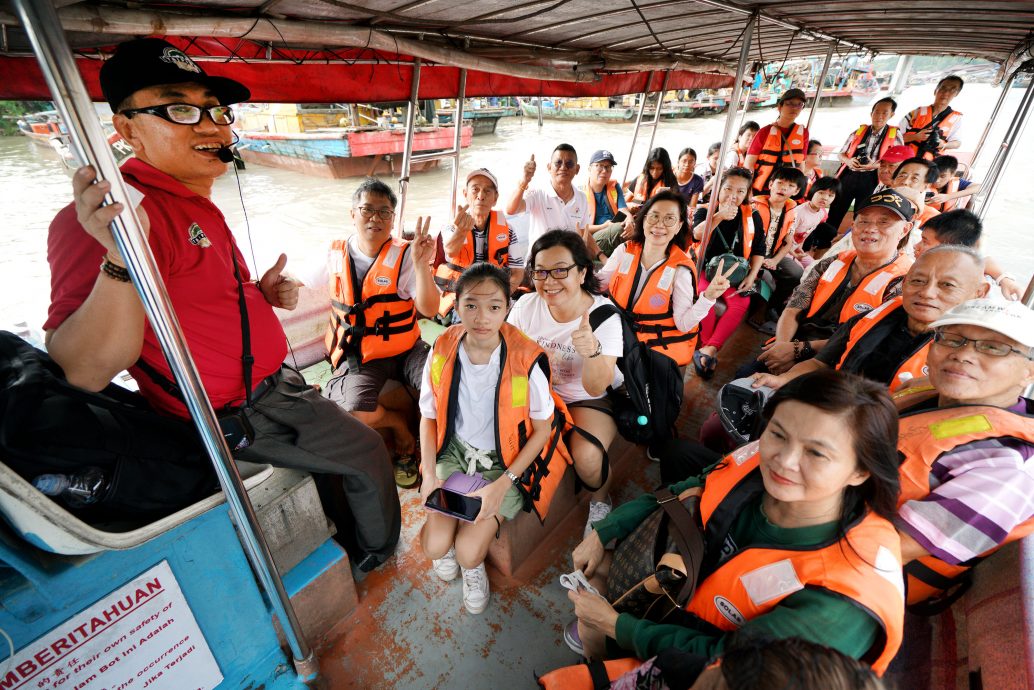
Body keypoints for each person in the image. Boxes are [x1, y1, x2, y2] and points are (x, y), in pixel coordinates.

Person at [44, 38, 401, 570]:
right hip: (239, 412)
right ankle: (378, 557)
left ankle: (350, 531)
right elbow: (83, 369)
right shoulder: (109, 219)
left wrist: (260, 295)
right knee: (368, 452)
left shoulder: (192, 201)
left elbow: (192, 302)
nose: (213, 127)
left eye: (215, 110)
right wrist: (121, 258)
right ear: (127, 129)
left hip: (273, 385)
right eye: (181, 110)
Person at [564, 370, 904, 676]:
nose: (784, 460)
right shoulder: (757, 459)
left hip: (717, 669)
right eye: (778, 434)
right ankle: (598, 659)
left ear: (861, 471)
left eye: (816, 453)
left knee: (595, 623)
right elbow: (689, 486)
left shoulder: (842, 601)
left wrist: (618, 626)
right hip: (684, 598)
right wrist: (605, 531)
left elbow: (732, 664)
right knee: (592, 577)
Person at [419, 263, 568, 614]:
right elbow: (428, 416)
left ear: (507, 308)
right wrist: (428, 474)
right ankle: (455, 527)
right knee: (435, 547)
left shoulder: (524, 360)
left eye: (494, 307)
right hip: (455, 454)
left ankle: (474, 570)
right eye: (470, 305)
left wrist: (504, 483)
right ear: (456, 306)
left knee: (470, 553)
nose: (481, 317)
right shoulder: (442, 348)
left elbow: (543, 429)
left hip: (505, 464)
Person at [891, 298, 1034, 605]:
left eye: (995, 347)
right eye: (952, 339)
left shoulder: (1008, 467)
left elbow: (894, 548)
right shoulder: (930, 396)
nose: (963, 355)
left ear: (1029, 372)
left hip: (859, 583)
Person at [320, 178, 439, 488]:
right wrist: (281, 288)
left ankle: (437, 454)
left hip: (407, 349)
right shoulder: (334, 254)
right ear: (353, 214)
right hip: (362, 354)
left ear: (393, 219)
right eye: (367, 209)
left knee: (445, 384)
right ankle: (400, 427)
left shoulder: (406, 256)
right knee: (353, 414)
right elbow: (293, 282)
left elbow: (429, 308)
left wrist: (423, 265)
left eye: (384, 212)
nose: (375, 218)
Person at [506, 230, 624, 536]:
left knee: (587, 456)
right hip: (537, 391)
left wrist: (591, 350)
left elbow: (598, 386)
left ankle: (600, 501)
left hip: (585, 397)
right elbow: (510, 362)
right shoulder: (525, 306)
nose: (550, 280)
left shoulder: (603, 317)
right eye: (541, 272)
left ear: (582, 272)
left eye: (561, 270)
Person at [752, 245, 989, 393]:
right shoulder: (868, 320)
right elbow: (818, 364)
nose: (927, 293)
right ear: (905, 283)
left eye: (947, 285)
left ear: (979, 293)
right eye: (918, 281)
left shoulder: (972, 360)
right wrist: (784, 380)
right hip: (833, 408)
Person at [749, 190, 916, 377]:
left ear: (905, 229)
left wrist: (799, 349)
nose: (870, 228)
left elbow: (868, 340)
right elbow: (794, 306)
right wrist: (782, 347)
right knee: (745, 377)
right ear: (853, 225)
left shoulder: (906, 282)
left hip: (841, 361)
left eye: (884, 222)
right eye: (864, 221)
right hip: (796, 340)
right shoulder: (831, 262)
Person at [599, 191, 729, 369]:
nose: (659, 224)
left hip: (645, 349)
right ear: (643, 220)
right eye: (654, 216)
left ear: (679, 226)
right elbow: (598, 285)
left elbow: (683, 324)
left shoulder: (680, 270)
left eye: (669, 219)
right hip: (613, 334)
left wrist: (709, 297)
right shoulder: (624, 251)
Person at [689, 168, 766, 378]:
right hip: (706, 269)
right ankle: (708, 347)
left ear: (747, 194)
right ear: (718, 189)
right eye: (728, 188)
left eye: (741, 191)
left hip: (736, 273)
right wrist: (719, 216)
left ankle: (708, 350)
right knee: (707, 299)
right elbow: (697, 234)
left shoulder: (753, 216)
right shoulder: (705, 211)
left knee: (741, 304)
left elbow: (759, 248)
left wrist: (751, 277)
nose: (734, 195)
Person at [435, 168, 525, 317]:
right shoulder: (451, 226)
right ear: (465, 194)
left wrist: (500, 297)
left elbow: (517, 272)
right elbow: (450, 251)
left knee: (521, 319)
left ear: (495, 198)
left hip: (495, 295)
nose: (481, 196)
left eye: (487, 191)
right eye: (475, 190)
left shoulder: (507, 229)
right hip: (460, 296)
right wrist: (461, 231)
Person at [828, 97, 903, 231]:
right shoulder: (858, 131)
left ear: (892, 115)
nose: (879, 116)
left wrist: (873, 165)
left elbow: (898, 162)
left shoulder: (895, 135)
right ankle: (823, 240)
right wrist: (849, 161)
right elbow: (841, 154)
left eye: (885, 112)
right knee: (836, 209)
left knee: (863, 214)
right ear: (871, 113)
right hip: (849, 175)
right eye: (876, 111)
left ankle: (852, 245)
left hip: (872, 178)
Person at [912, 209, 1022, 300]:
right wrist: (1003, 278)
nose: (916, 246)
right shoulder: (955, 264)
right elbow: (985, 260)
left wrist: (1004, 279)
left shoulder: (966, 294)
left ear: (951, 248)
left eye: (925, 242)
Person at [506, 143, 592, 256]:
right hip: (539, 262)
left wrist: (599, 255)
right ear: (549, 167)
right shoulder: (537, 193)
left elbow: (583, 231)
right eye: (558, 163)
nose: (563, 167)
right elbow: (511, 210)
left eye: (569, 164)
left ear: (577, 169)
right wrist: (524, 180)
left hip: (567, 262)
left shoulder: (581, 198)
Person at [751, 166, 808, 314]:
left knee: (796, 274)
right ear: (771, 184)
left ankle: (773, 306)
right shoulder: (753, 206)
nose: (783, 188)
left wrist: (775, 260)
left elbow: (788, 242)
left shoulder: (792, 213)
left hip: (773, 254)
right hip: (750, 253)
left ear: (796, 192)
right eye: (780, 183)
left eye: (790, 186)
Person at [743, 88, 810, 195]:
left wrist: (798, 187)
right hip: (762, 189)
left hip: (787, 190)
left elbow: (801, 163)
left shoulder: (804, 133)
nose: (794, 108)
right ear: (780, 107)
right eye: (790, 103)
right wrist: (748, 190)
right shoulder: (765, 131)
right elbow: (748, 164)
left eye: (799, 104)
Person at [585, 150, 635, 258]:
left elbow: (624, 210)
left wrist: (630, 221)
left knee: (639, 224)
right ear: (589, 169)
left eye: (608, 167)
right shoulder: (580, 194)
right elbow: (579, 228)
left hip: (614, 231)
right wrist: (604, 226)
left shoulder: (614, 187)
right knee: (619, 228)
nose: (604, 171)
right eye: (600, 166)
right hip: (592, 241)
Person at [901, 75, 964, 160]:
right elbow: (895, 137)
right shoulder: (916, 112)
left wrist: (944, 145)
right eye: (943, 88)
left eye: (952, 90)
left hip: (930, 164)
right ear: (935, 91)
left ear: (956, 94)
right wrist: (915, 137)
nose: (946, 93)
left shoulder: (956, 118)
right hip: (906, 160)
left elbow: (957, 143)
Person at [788, 176, 840, 270]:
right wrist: (793, 254)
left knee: (816, 269)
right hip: (783, 251)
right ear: (812, 192)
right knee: (800, 272)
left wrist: (800, 251)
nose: (824, 198)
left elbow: (804, 236)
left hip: (796, 250)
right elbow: (785, 238)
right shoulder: (798, 212)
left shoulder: (822, 213)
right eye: (821, 193)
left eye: (830, 195)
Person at [674, 147, 704, 215]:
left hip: (684, 213)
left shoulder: (698, 180)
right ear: (678, 162)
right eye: (684, 161)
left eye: (691, 161)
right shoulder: (669, 177)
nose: (687, 164)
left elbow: (692, 207)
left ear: (694, 164)